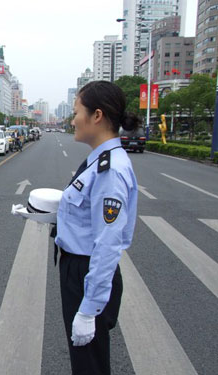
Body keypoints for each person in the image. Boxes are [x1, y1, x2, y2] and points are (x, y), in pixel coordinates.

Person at [54, 81, 139, 375]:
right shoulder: (99, 161)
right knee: (87, 361)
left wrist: (89, 309)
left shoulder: (109, 170)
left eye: (77, 112)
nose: (72, 119)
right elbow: (88, 216)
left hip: (86, 272)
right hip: (78, 268)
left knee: (89, 364)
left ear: (97, 115)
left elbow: (108, 243)